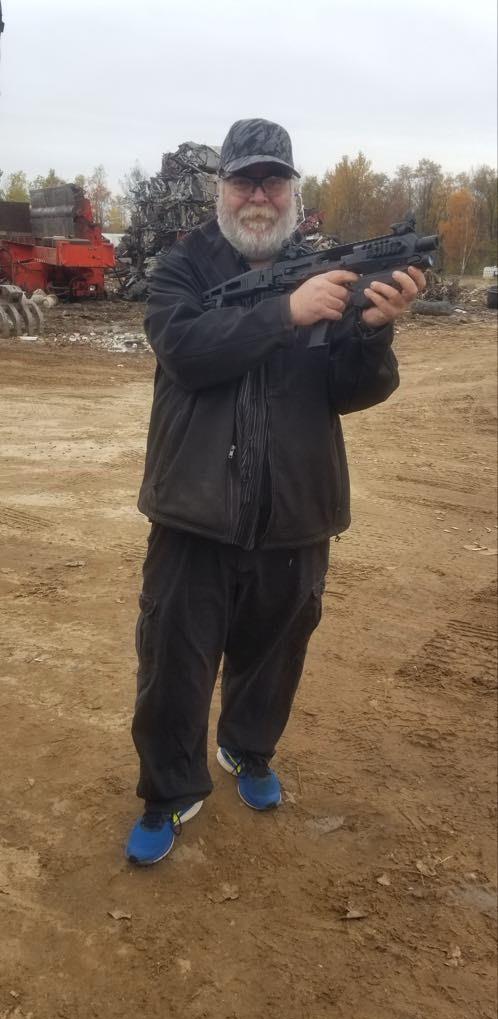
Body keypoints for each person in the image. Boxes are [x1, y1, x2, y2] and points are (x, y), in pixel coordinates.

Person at [125, 118, 425, 865]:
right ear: (222, 189)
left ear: (293, 191)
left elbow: (352, 392)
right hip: (193, 508)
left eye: (273, 181)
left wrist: (373, 332)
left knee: (275, 653)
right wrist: (284, 312)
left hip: (297, 511)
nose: (258, 196)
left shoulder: (329, 273)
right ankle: (170, 791)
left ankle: (247, 750)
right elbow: (186, 352)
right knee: (173, 663)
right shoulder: (181, 269)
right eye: (244, 181)